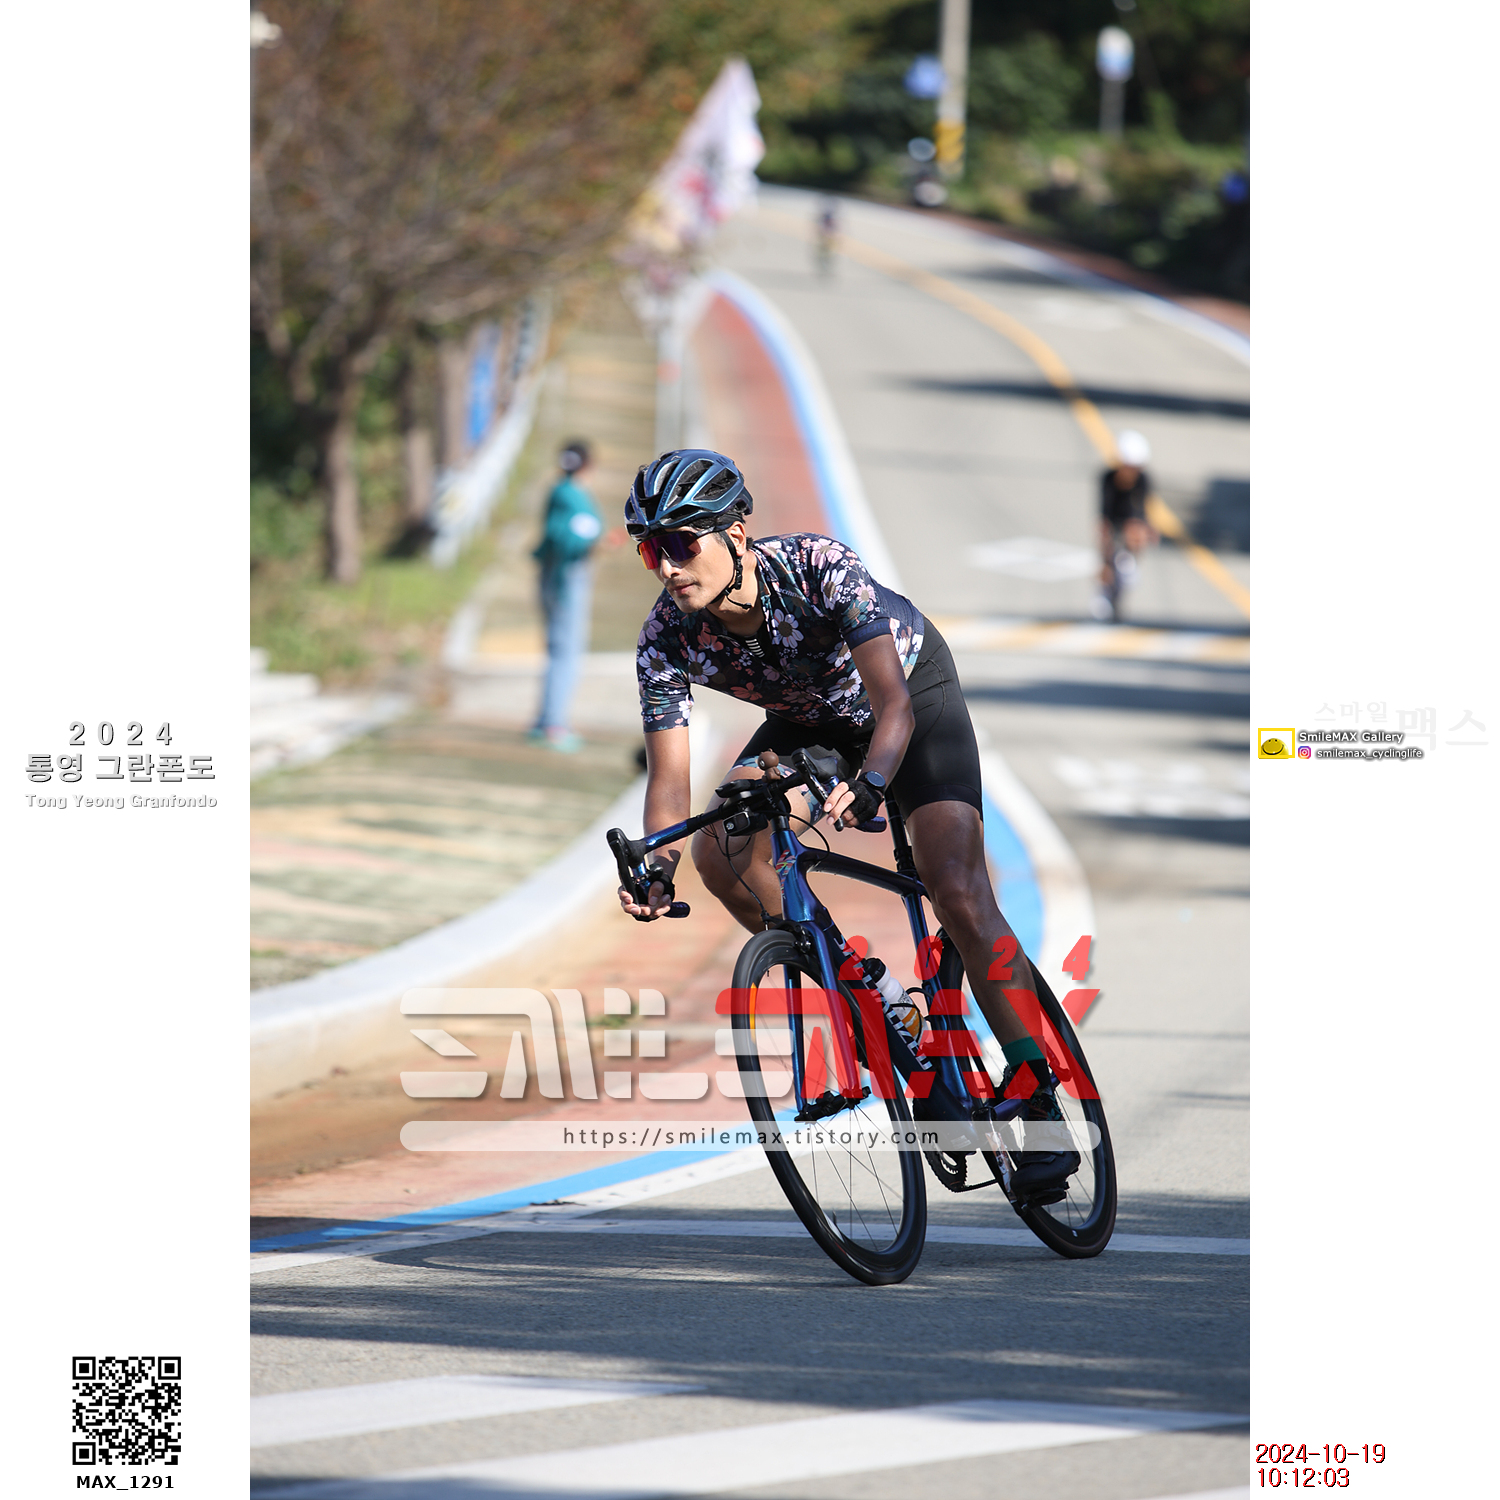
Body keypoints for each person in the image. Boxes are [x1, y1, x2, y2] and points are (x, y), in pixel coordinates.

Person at [616, 449, 1078, 1198]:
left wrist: (872, 785)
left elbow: (892, 705)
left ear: (735, 534)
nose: (666, 567)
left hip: (911, 701)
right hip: (811, 726)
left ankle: (1039, 1097)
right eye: (649, 550)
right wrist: (656, 866)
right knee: (719, 849)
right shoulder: (664, 638)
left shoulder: (817, 567)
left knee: (957, 892)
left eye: (680, 544)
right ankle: (876, 1000)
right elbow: (669, 782)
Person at [530, 440, 602, 752]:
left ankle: (545, 719)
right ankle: (554, 724)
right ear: (588, 465)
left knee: (556, 649)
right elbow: (575, 538)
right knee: (566, 651)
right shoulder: (575, 496)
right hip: (567, 580)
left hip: (551, 576)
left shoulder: (557, 491)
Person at [1094, 429, 1158, 622]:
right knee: (1105, 541)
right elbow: (1104, 520)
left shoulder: (1143, 481)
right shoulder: (1108, 480)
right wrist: (1105, 562)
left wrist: (1145, 533)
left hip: (1131, 523)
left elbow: (1144, 514)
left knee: (1135, 531)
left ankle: (1128, 562)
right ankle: (1106, 589)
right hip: (1113, 522)